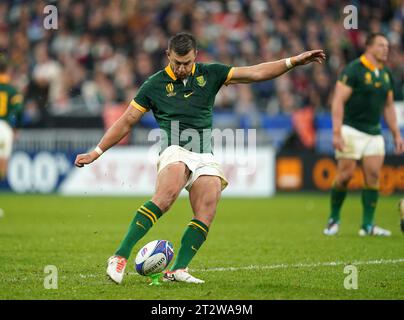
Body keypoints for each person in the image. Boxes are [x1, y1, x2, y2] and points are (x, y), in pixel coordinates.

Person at [75, 32, 326, 284]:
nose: (182, 68)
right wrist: (96, 152)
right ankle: (119, 257)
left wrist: (293, 61)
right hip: (175, 149)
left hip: (204, 154)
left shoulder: (211, 73)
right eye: (176, 62)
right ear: (168, 56)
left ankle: (178, 269)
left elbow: (256, 73)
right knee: (166, 196)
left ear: (196, 55)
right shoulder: (154, 84)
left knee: (207, 207)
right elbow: (128, 120)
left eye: (186, 62)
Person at [324, 33, 404, 237]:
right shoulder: (354, 70)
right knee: (345, 176)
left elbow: (388, 106)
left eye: (387, 46)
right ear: (369, 47)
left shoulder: (386, 73)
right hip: (351, 129)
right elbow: (338, 101)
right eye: (381, 45)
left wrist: (396, 133)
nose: (386, 49)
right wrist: (336, 131)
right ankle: (334, 219)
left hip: (374, 132)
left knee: (374, 176)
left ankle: (367, 225)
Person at [0, 55, 23, 183]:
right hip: (4, 128)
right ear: (7, 70)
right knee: (2, 168)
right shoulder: (12, 90)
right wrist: (17, 128)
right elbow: (19, 109)